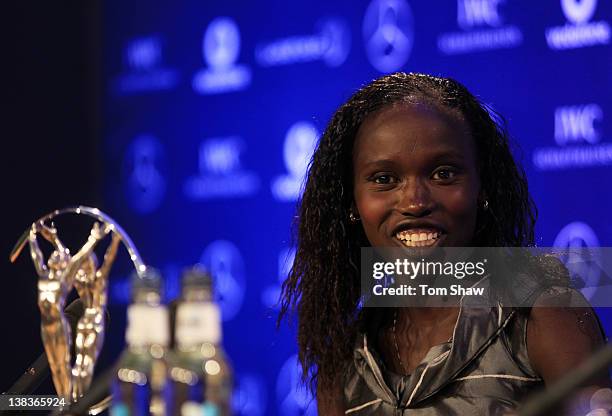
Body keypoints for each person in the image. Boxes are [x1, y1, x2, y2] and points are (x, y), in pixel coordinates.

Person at [279, 73, 610, 415]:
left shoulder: (544, 318)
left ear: (483, 187)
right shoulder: (345, 360)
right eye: (384, 179)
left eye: (443, 174)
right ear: (351, 203)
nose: (415, 202)